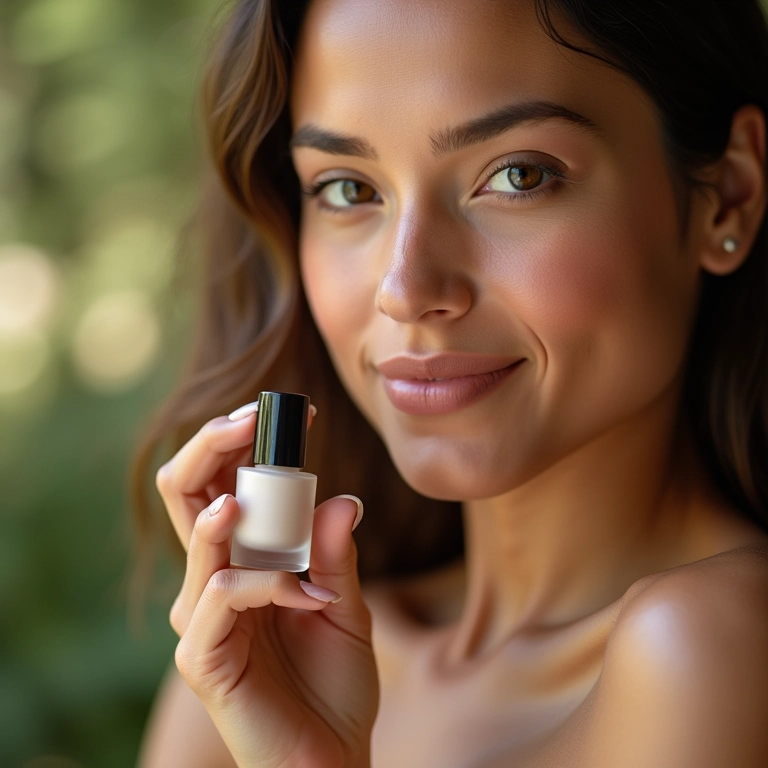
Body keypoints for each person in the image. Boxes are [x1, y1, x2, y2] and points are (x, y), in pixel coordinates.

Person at [135, 0, 768, 765]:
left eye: (518, 175)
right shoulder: (261, 661)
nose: (404, 289)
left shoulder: (710, 648)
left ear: (727, 193)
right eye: (347, 190)